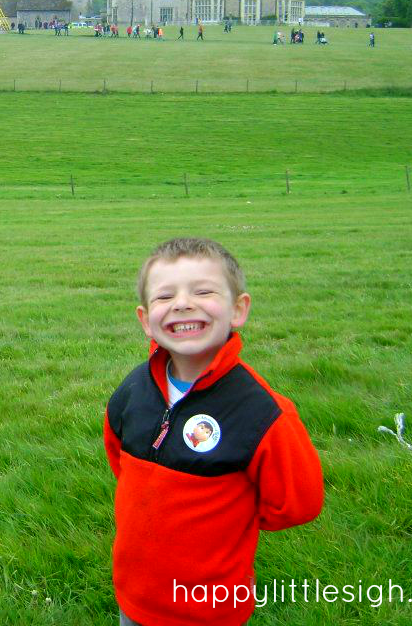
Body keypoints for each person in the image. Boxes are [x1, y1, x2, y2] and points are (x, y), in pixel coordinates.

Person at [105, 238, 324, 626]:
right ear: (145, 318)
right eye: (165, 296)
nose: (182, 303)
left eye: (203, 291)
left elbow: (298, 503)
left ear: (238, 309)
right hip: (134, 599)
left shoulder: (261, 412)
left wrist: (230, 517)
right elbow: (119, 457)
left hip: (209, 610)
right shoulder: (133, 390)